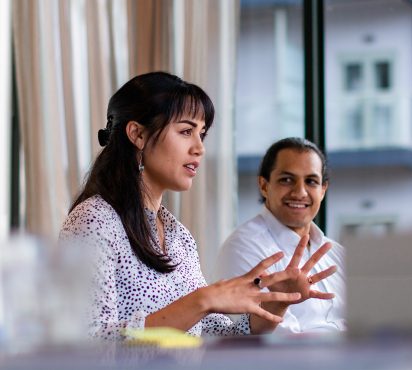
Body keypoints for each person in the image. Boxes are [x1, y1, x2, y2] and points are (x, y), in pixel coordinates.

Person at [59, 72, 333, 340]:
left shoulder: (180, 237)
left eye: (201, 134)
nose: (199, 148)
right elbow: (89, 346)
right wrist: (202, 299)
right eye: (186, 131)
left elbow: (218, 334)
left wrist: (278, 301)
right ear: (138, 134)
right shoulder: (93, 220)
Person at [216, 137, 346, 334]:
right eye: (287, 179)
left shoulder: (336, 252)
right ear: (264, 185)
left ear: (323, 190)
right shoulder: (243, 247)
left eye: (311, 181)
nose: (300, 192)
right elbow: (275, 343)